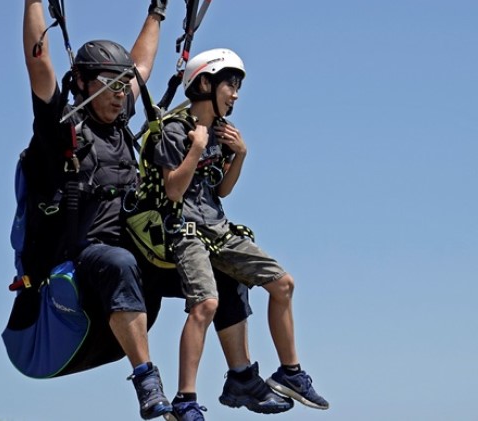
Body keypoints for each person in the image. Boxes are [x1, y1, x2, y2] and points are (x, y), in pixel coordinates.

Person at [21, 1, 290, 419]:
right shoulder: (62, 130)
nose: (118, 93)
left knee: (224, 267)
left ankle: (241, 377)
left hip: (142, 248)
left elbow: (141, 66)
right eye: (107, 84)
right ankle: (147, 379)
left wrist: (158, 10)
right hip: (90, 253)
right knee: (120, 262)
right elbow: (39, 66)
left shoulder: (121, 119)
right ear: (82, 83)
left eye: (120, 85)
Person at [152, 48, 330, 419]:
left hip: (218, 228)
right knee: (206, 304)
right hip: (185, 230)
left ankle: (290, 373)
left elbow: (221, 191)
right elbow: (173, 190)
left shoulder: (222, 133)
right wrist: (196, 148)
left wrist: (241, 155)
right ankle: (184, 400)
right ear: (204, 82)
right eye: (229, 84)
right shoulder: (173, 130)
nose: (235, 94)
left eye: (237, 87)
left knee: (283, 284)